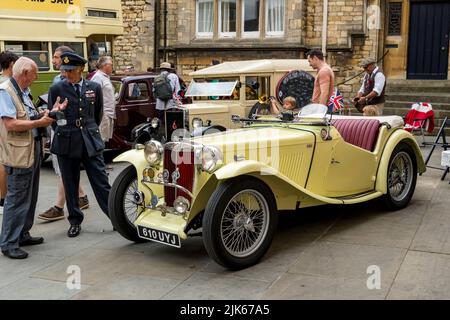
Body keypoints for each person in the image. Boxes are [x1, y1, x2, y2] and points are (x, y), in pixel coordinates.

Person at [0, 57, 67, 259]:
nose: (36, 78)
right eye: (35, 74)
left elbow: (29, 115)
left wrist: (49, 112)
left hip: (32, 149)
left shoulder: (23, 90)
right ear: (24, 73)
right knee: (17, 197)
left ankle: (22, 234)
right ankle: (9, 242)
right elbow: (11, 124)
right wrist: (39, 123)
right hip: (18, 153)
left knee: (30, 195)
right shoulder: (6, 91)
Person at [48, 52, 111, 238]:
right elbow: (53, 117)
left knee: (101, 182)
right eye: (64, 70)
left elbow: (97, 114)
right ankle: (75, 221)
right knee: (70, 183)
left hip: (90, 140)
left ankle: (115, 217)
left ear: (81, 69)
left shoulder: (94, 87)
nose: (66, 75)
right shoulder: (56, 88)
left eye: (71, 71)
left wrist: (88, 130)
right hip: (66, 141)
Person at [38, 46, 89, 222]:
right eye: (55, 58)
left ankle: (61, 205)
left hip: (75, 135)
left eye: (57, 57)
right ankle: (78, 198)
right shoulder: (57, 82)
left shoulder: (85, 84)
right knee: (65, 171)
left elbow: (94, 114)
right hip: (59, 132)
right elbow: (53, 110)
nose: (55, 61)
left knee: (64, 171)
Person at [0, 51, 19, 216]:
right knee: (3, 162)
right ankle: (3, 198)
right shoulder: (7, 85)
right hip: (4, 128)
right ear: (12, 65)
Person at [91, 56, 115, 143]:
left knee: (104, 139)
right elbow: (94, 97)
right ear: (105, 65)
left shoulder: (105, 77)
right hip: (103, 114)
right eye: (111, 65)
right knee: (100, 139)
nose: (112, 67)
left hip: (108, 113)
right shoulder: (98, 77)